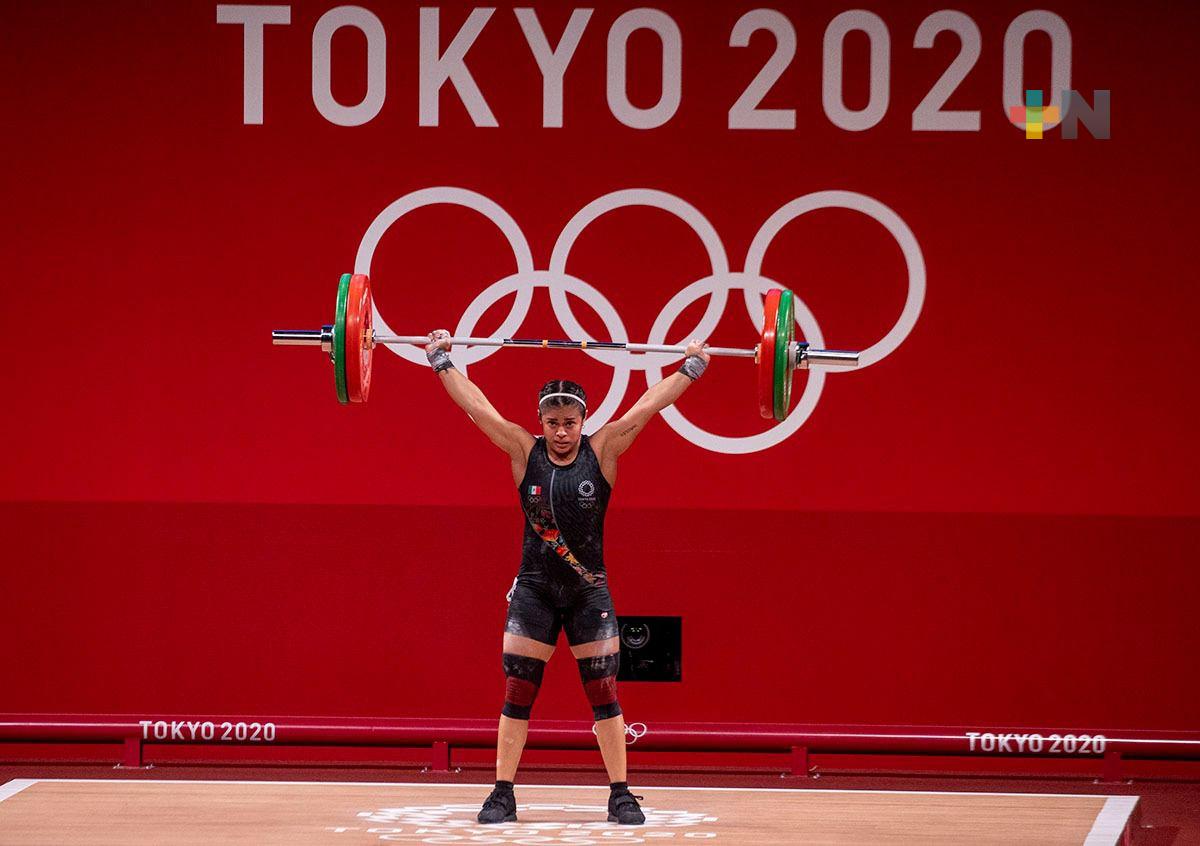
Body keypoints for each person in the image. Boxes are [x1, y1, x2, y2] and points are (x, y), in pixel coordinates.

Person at [423, 329, 711, 825]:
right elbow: (477, 407)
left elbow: (648, 406)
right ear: (541, 422)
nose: (561, 432)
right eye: (553, 423)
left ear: (584, 420)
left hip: (587, 592)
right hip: (534, 590)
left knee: (604, 691)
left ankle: (620, 794)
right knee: (518, 690)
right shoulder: (523, 451)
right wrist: (441, 360)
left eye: (570, 423)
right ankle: (502, 794)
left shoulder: (603, 451)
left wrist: (691, 366)